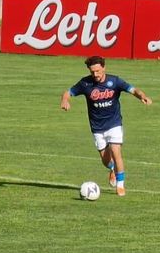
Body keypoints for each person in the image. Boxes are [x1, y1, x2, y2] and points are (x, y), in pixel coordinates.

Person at [60, 55, 151, 196]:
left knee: (116, 152)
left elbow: (133, 90)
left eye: (98, 71)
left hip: (114, 123)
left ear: (104, 68)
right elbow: (68, 92)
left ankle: (120, 185)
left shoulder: (115, 81)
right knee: (106, 160)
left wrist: (142, 96)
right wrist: (65, 100)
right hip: (97, 127)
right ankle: (112, 168)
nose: (95, 75)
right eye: (92, 72)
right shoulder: (85, 84)